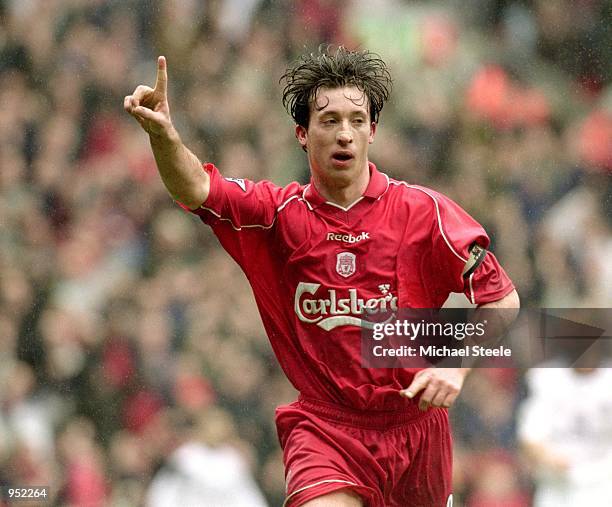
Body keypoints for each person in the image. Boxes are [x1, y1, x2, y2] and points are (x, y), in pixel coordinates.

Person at [124, 46, 519, 507]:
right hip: (326, 428)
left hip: (417, 431)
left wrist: (454, 368)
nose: (344, 134)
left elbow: (502, 302)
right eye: (329, 121)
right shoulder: (278, 214)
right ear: (302, 134)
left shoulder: (425, 213)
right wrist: (164, 137)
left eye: (356, 120)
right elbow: (195, 187)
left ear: (373, 131)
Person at [518, 366, 612, 506]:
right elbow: (530, 438)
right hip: (558, 489)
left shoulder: (607, 379)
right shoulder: (546, 379)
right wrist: (548, 457)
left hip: (602, 486)